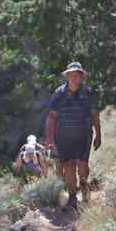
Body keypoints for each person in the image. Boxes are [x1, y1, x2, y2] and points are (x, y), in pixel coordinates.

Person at [44, 61, 101, 212]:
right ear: (67, 76)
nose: (74, 78)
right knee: (68, 166)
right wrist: (49, 139)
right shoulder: (59, 94)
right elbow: (51, 117)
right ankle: (72, 197)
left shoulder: (88, 93)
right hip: (63, 137)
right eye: (71, 75)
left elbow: (95, 115)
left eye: (77, 75)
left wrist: (99, 135)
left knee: (82, 167)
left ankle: (83, 184)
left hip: (83, 136)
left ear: (81, 77)